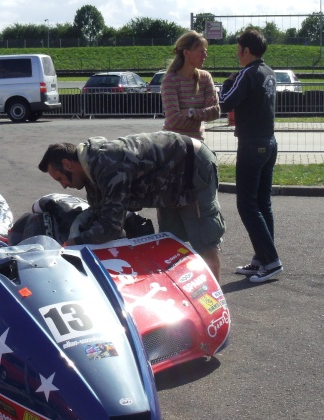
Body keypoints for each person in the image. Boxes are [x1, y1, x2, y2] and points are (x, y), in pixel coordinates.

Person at [38, 131, 225, 280]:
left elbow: (110, 226)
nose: (63, 185)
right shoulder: (89, 171)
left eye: (60, 178)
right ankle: (186, 293)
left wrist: (71, 244)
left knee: (203, 240)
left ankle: (215, 303)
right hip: (169, 181)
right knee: (170, 241)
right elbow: (99, 213)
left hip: (192, 165)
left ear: (67, 164)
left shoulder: (108, 165)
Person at [218, 28, 283, 283]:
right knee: (262, 202)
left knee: (246, 203)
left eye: (238, 48)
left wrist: (226, 82)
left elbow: (226, 102)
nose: (237, 53)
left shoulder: (248, 73)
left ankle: (271, 261)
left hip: (251, 144)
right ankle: (262, 256)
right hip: (269, 143)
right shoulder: (269, 72)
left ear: (245, 50)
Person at [161, 30, 221, 141]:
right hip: (174, 145)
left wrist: (190, 112)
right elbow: (174, 120)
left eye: (205, 51)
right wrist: (200, 118)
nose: (205, 55)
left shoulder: (205, 78)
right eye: (201, 52)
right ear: (186, 53)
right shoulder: (170, 81)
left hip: (198, 147)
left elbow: (215, 112)